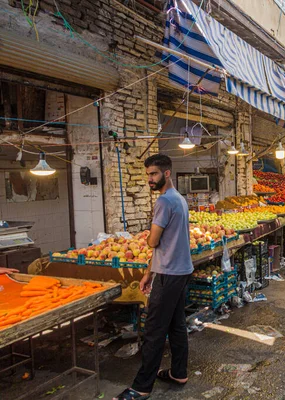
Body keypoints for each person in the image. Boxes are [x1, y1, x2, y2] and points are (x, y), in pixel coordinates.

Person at [115, 154, 193, 400]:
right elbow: (166, 245)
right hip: (179, 270)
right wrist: (150, 272)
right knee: (177, 325)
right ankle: (179, 372)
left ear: (166, 173)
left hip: (169, 274)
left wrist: (148, 236)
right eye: (148, 174)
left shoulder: (164, 202)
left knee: (154, 330)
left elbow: (154, 241)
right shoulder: (179, 199)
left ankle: (141, 387)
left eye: (153, 174)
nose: (149, 178)